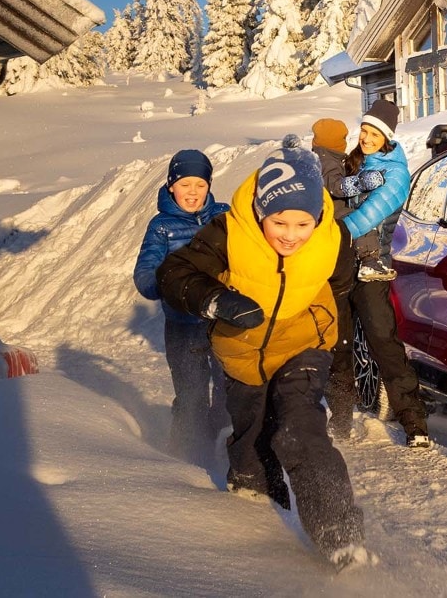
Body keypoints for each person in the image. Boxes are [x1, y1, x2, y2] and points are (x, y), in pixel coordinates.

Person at [156, 137, 372, 571]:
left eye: (302, 224)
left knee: (300, 429)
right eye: (280, 223)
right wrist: (216, 299)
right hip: (243, 353)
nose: (291, 236)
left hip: (302, 346)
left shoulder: (333, 238)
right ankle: (254, 508)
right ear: (260, 211)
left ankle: (341, 537)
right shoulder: (228, 233)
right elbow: (173, 274)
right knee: (254, 439)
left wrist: (323, 328)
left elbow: (342, 285)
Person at [339, 99, 431, 448]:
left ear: (387, 137)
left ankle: (414, 422)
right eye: (364, 130)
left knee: (383, 341)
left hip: (372, 269)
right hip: (342, 262)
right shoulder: (355, 164)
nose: (366, 137)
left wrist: (335, 235)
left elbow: (373, 212)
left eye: (374, 133)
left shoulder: (395, 173)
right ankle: (341, 419)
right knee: (339, 342)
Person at [132, 149, 231, 467]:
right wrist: (167, 284)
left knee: (230, 391)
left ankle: (225, 451)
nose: (192, 192)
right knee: (191, 397)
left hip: (222, 323)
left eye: (199, 185)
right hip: (183, 327)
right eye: (185, 184)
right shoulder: (162, 227)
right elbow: (145, 273)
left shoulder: (225, 217)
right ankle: (184, 462)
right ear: (171, 186)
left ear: (209, 185)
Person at [309, 117, 360, 441]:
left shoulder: (321, 161)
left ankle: (337, 414)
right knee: (337, 341)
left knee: (331, 339)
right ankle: (341, 416)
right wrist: (360, 184)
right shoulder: (327, 162)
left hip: (329, 252)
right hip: (334, 246)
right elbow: (335, 187)